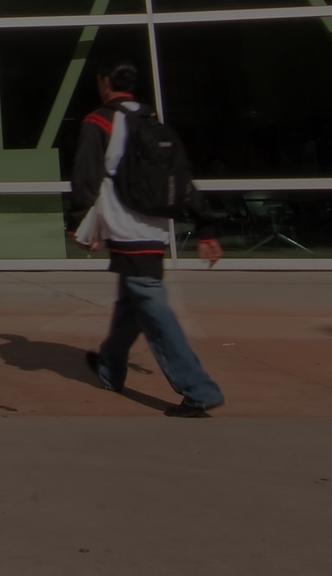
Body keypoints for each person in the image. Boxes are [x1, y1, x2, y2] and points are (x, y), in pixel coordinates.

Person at [69, 59, 226, 418]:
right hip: (154, 228)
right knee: (133, 302)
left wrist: (78, 223)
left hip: (125, 228)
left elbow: (85, 176)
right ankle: (110, 367)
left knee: (153, 309)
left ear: (104, 82)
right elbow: (182, 178)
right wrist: (204, 225)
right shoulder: (152, 121)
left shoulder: (100, 121)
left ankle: (198, 389)